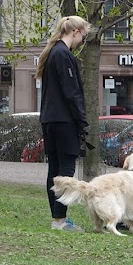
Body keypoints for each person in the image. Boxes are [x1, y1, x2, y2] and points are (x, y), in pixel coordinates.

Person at [35, 15, 90, 232]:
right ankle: (60, 220)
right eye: (82, 37)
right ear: (74, 31)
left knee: (54, 169)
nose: (81, 42)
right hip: (64, 120)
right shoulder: (63, 55)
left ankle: (57, 218)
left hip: (49, 119)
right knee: (65, 170)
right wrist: (82, 120)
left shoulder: (52, 53)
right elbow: (71, 92)